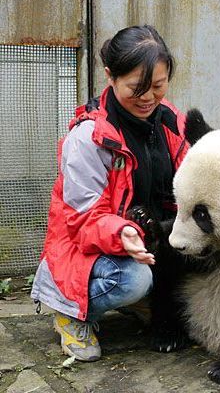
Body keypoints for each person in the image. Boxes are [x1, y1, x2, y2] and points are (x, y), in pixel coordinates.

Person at [30, 25, 189, 362]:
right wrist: (124, 231)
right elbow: (83, 220)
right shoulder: (88, 138)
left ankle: (140, 297)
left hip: (144, 238)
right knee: (133, 280)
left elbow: (186, 180)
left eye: (158, 86)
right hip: (87, 248)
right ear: (110, 76)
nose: (148, 97)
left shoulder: (171, 121)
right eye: (137, 88)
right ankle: (70, 311)